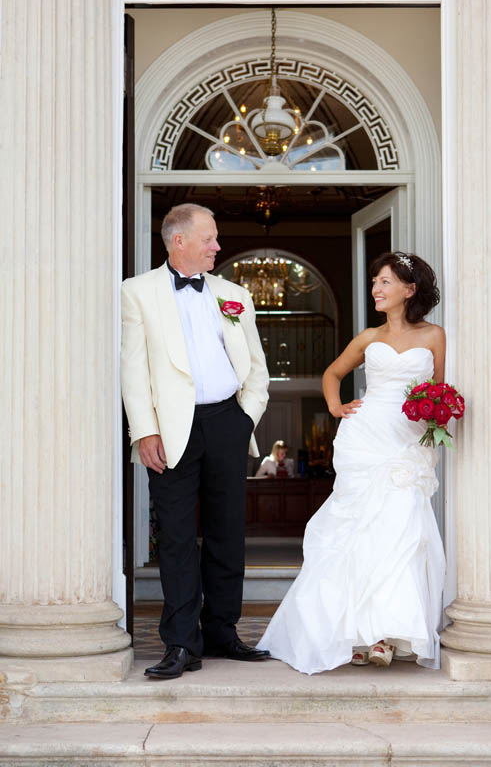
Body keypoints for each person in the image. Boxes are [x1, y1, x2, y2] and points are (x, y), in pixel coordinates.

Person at [258, 251, 446, 674]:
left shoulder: (434, 335)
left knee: (399, 532)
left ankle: (385, 634)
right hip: (364, 439)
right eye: (375, 281)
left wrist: (438, 413)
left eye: (385, 282)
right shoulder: (367, 337)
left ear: (409, 290)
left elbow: (438, 389)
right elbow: (331, 374)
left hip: (406, 442)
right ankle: (360, 635)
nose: (376, 289)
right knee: (356, 533)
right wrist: (337, 407)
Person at [120, 203, 270, 679]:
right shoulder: (136, 292)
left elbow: (257, 366)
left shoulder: (234, 295)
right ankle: (183, 643)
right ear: (178, 240)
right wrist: (144, 429)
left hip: (228, 422)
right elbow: (133, 368)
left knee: (228, 534)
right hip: (168, 430)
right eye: (209, 238)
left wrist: (246, 418)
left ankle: (223, 631)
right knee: (179, 538)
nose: (217, 247)